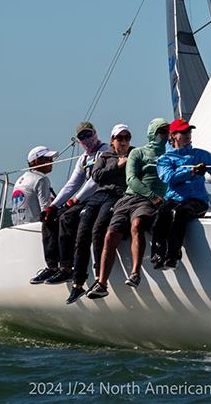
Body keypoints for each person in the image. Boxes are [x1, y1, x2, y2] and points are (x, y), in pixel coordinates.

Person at [152, 118, 211, 269]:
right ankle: (158, 254)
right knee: (162, 212)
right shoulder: (165, 159)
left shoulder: (200, 155)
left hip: (197, 201)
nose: (188, 134)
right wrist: (191, 171)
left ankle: (173, 256)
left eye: (189, 131)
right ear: (174, 135)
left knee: (180, 213)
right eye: (184, 132)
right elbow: (168, 178)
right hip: (174, 198)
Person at [31, 122, 109, 285]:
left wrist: (74, 200)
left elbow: (94, 182)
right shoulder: (83, 158)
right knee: (49, 218)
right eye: (82, 137)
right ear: (78, 140)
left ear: (95, 133)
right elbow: (72, 184)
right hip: (85, 199)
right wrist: (52, 206)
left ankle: (67, 268)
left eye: (89, 135)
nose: (86, 139)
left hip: (102, 197)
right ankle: (53, 266)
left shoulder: (105, 152)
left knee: (67, 217)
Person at [96, 118, 169, 290]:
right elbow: (131, 179)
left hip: (147, 201)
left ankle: (135, 273)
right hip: (129, 198)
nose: (166, 135)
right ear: (153, 133)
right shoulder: (138, 153)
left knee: (137, 225)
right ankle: (101, 283)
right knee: (109, 236)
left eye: (168, 132)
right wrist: (152, 196)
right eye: (162, 131)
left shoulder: (169, 155)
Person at [66, 124, 134, 303]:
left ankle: (99, 279)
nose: (124, 141)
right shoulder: (105, 155)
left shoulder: (134, 154)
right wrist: (117, 166)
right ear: (113, 140)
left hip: (117, 195)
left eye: (127, 137)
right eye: (120, 138)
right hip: (99, 195)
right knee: (82, 234)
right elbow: (96, 176)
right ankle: (77, 283)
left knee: (98, 230)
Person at [11, 145, 56, 226]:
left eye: (52, 159)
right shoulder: (41, 179)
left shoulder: (20, 180)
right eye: (48, 159)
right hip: (36, 227)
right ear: (37, 161)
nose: (52, 162)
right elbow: (46, 209)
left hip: (18, 226)